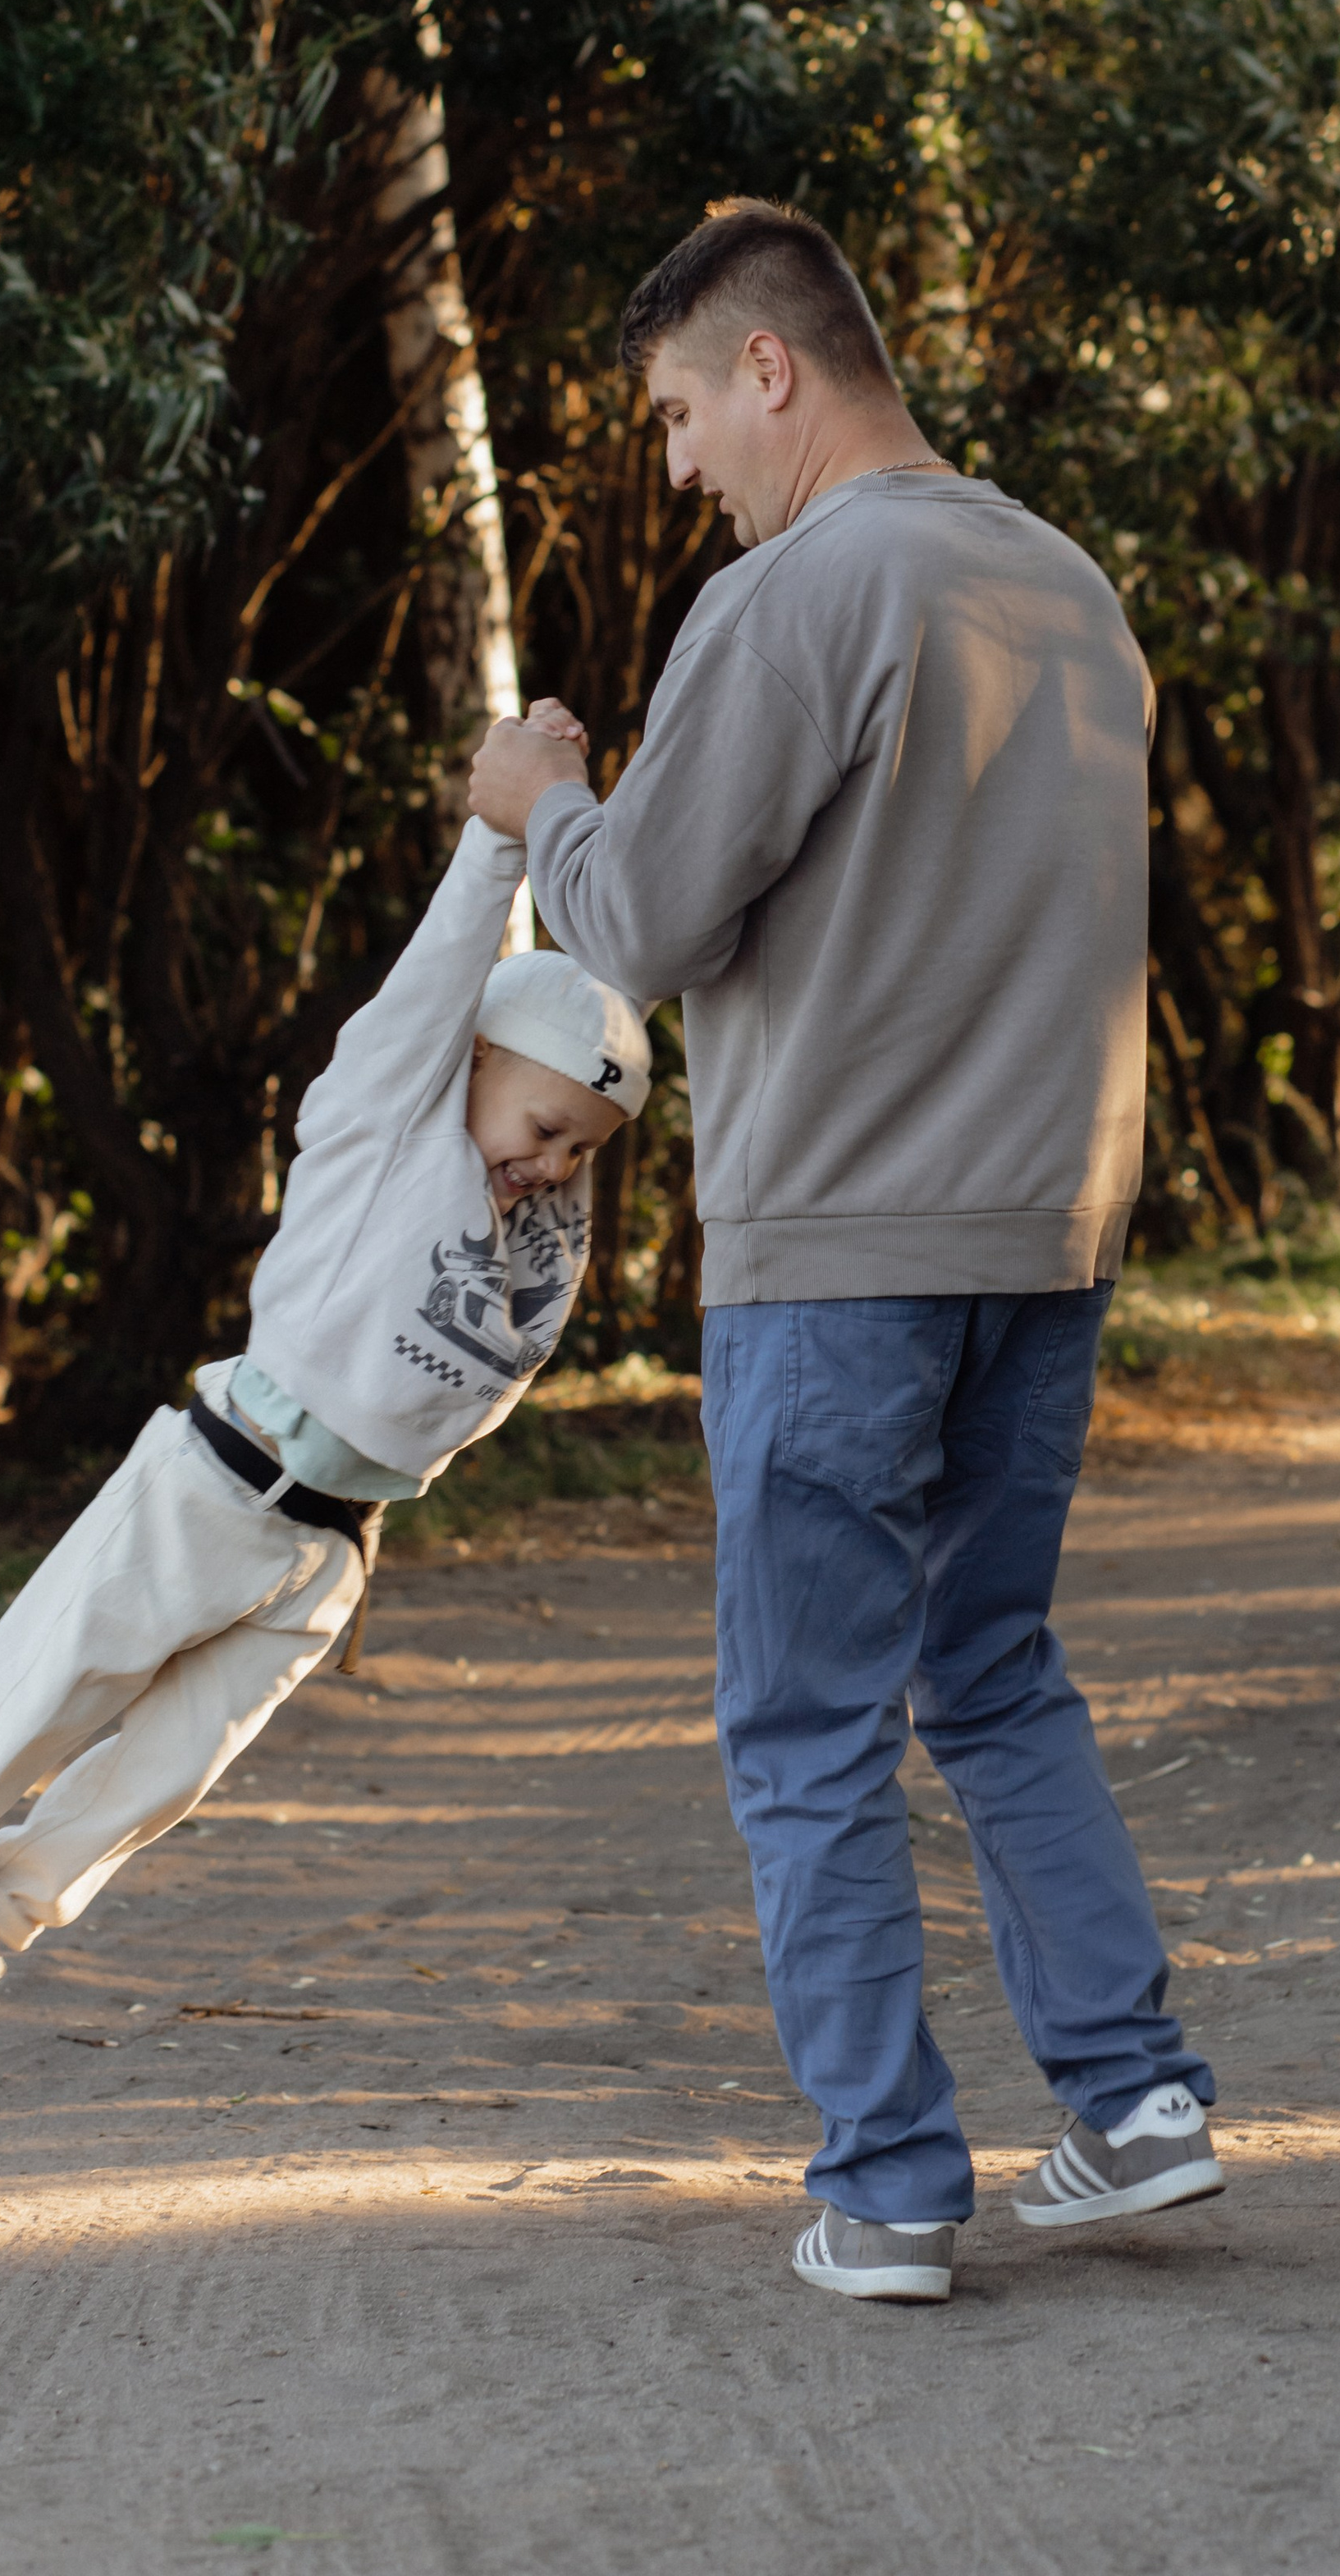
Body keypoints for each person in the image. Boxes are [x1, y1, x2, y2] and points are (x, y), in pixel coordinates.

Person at [470, 200, 1219, 2307]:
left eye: (684, 411)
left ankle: (888, 2187)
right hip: (1046, 1234)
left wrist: (541, 798)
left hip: (837, 1258)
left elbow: (636, 927)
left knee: (802, 1724)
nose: (683, 462)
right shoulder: (1064, 583)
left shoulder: (802, 593)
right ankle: (1136, 2102)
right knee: (984, 1667)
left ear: (772, 367)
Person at [0, 714, 647, 2070]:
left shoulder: (540, 1217)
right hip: (223, 1474)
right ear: (469, 1069)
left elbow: (614, 1011)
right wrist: (506, 830)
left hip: (331, 1548)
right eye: (542, 1131)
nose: (553, 1168)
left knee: (158, 1778)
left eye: (583, 1152)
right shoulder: (384, 1124)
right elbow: (442, 978)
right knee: (42, 1694)